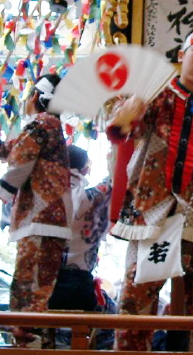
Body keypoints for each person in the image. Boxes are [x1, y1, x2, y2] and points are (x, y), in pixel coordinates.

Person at [106, 22, 193, 351]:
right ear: (182, 54)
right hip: (148, 217)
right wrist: (125, 114)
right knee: (134, 306)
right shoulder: (153, 94)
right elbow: (119, 130)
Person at [0, 74, 72, 348]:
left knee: (28, 294)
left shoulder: (43, 124)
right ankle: (26, 343)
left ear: (35, 96)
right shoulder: (46, 126)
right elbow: (4, 150)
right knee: (32, 294)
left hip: (41, 219)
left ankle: (25, 346)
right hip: (45, 221)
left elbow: (20, 166)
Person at [47, 145, 116, 349]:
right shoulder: (96, 197)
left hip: (44, 285)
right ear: (85, 170)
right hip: (80, 287)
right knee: (111, 319)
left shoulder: (43, 198)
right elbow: (115, 179)